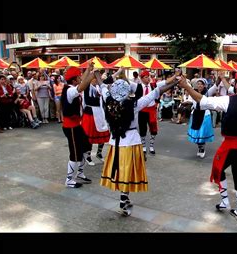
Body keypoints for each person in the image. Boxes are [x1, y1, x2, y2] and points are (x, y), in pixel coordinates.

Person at [177, 70, 237, 221]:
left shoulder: (227, 100)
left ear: (236, 86)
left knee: (218, 170)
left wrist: (186, 86)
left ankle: (225, 200)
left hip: (230, 146)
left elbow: (202, 101)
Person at [93, 69, 179, 216]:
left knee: (121, 171)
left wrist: (96, 75)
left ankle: (124, 198)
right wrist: (176, 83)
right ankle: (123, 201)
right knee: (127, 172)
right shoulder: (134, 105)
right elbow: (156, 92)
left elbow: (102, 86)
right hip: (131, 142)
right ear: (126, 91)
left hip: (115, 142)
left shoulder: (108, 100)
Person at [61, 65, 95, 188]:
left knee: (86, 147)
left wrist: (88, 69)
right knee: (75, 154)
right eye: (79, 77)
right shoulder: (70, 90)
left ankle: (80, 173)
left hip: (76, 125)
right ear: (74, 80)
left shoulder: (71, 87)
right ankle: (69, 180)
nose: (81, 78)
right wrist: (91, 76)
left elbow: (81, 82)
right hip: (71, 127)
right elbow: (81, 86)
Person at [81, 75, 110, 165]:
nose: (96, 80)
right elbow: (88, 100)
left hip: (100, 113)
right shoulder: (87, 87)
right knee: (90, 135)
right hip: (90, 113)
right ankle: (88, 156)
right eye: (94, 78)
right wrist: (100, 99)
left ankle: (99, 153)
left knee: (102, 132)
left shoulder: (98, 87)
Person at [186, 79, 214, 158]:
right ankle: (200, 148)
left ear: (204, 85)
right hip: (195, 114)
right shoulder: (194, 92)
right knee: (197, 133)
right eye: (198, 84)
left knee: (202, 133)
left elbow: (215, 87)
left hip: (205, 114)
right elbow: (190, 97)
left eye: (201, 84)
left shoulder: (207, 93)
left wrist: (220, 78)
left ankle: (202, 149)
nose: (199, 85)